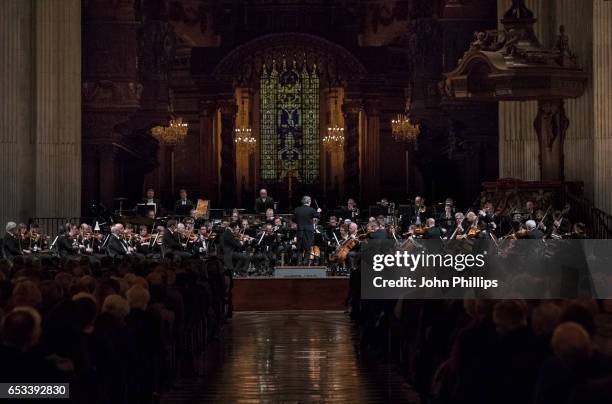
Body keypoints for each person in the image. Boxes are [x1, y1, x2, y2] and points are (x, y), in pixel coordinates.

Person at [293, 196, 321, 265]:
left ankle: (299, 262)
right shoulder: (311, 210)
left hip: (300, 230)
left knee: (300, 248)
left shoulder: (297, 209)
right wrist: (318, 211)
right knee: (308, 248)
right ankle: (305, 262)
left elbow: (294, 219)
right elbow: (317, 216)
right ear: (308, 201)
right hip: (308, 231)